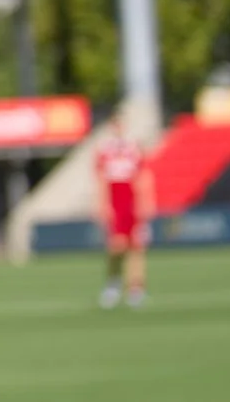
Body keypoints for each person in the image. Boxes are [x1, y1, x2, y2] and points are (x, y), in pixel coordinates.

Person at [92, 110, 154, 309]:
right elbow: (101, 180)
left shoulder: (134, 148)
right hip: (115, 200)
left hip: (131, 201)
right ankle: (113, 282)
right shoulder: (104, 151)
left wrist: (146, 202)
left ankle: (136, 288)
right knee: (116, 246)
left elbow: (143, 176)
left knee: (137, 246)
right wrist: (102, 204)